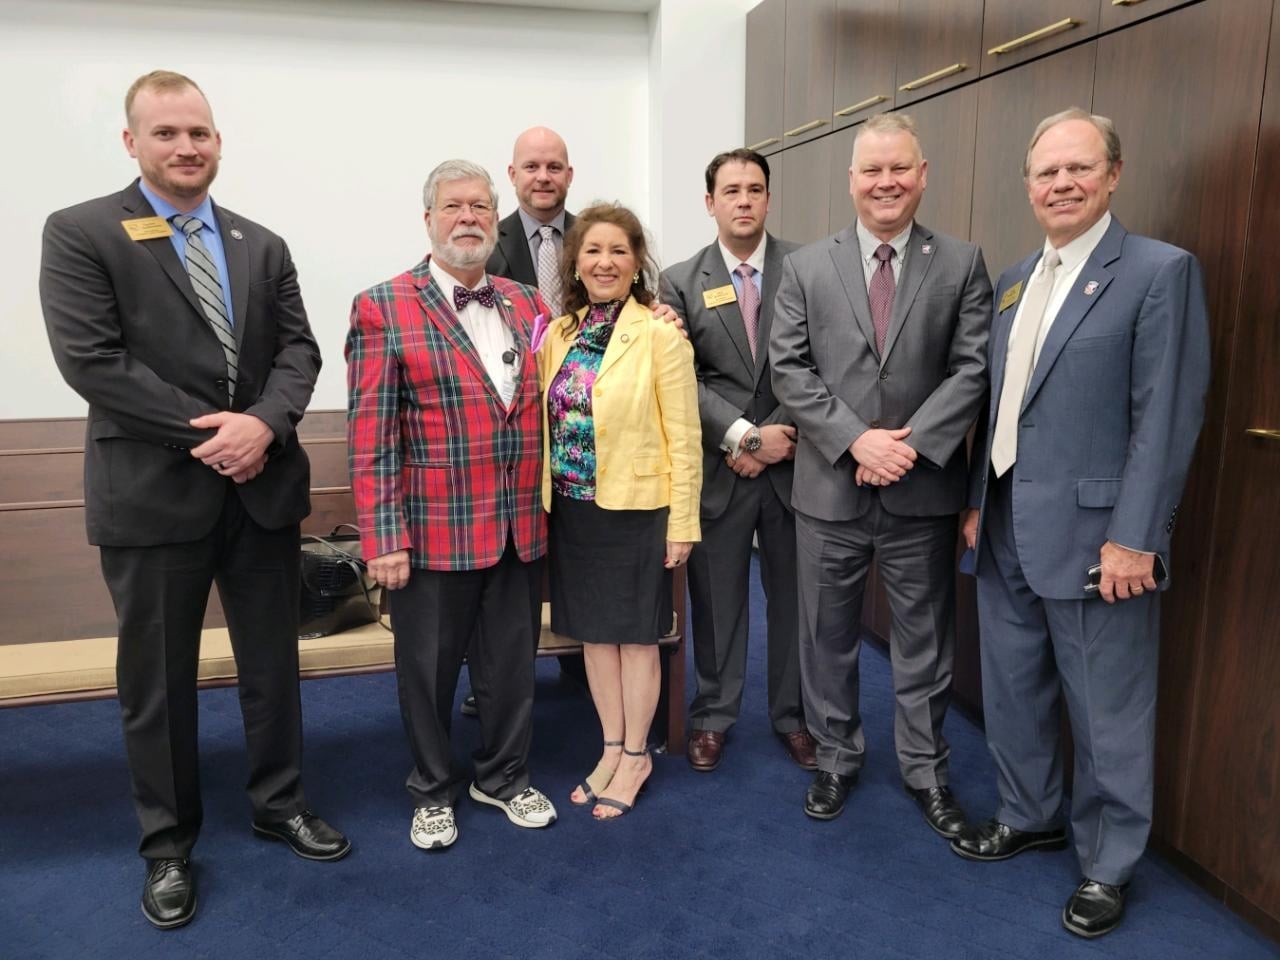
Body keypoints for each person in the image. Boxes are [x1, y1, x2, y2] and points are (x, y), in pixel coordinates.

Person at [39, 70, 348, 930]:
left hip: (261, 493)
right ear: (132, 142)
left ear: (219, 143)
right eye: (168, 133)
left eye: (200, 133)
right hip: (152, 496)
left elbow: (300, 350)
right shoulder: (81, 232)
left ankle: (278, 802)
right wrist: (219, 436)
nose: (186, 148)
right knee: (158, 681)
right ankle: (168, 846)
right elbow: (93, 363)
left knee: (271, 667)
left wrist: (266, 425)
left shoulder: (259, 242)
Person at [951, 108, 1210, 939]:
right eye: (1046, 173)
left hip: (1102, 541)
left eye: (1078, 169)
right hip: (1003, 528)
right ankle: (1030, 814)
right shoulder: (1019, 276)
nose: (1060, 184)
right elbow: (1003, 402)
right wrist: (972, 501)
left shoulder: (1159, 271)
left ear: (1113, 174)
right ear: (1027, 186)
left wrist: (1138, 536)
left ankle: (1108, 864)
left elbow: (1164, 418)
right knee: (1015, 690)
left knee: (1106, 711)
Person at [770, 112, 991, 836]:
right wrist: (856, 441)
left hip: (921, 492)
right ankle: (836, 756)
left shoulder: (961, 263)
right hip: (830, 488)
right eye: (872, 170)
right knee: (825, 635)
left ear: (923, 174)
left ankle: (926, 770)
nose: (887, 182)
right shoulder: (806, 267)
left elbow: (972, 369)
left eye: (900, 168)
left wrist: (911, 445)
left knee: (925, 643)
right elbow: (790, 370)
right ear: (852, 181)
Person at [346, 159, 557, 851]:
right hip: (432, 532)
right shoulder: (383, 305)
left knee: (511, 667)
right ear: (429, 220)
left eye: (479, 207)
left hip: (518, 525)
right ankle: (432, 789)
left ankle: (502, 777)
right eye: (453, 206)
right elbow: (371, 435)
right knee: (428, 674)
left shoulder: (529, 303)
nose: (468, 217)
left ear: (496, 219)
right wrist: (383, 537)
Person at [539, 203, 702, 819]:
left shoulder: (662, 334)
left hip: (639, 511)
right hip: (575, 509)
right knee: (594, 639)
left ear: (637, 265)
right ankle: (609, 746)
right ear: (575, 264)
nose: (604, 262)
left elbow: (684, 438)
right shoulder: (558, 334)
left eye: (618, 251)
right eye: (592, 251)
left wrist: (682, 523)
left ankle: (637, 754)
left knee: (636, 640)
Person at [658, 149, 813, 773]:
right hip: (720, 470)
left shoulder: (809, 267)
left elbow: (825, 364)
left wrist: (782, 433)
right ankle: (713, 715)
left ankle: (796, 717)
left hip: (797, 468)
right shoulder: (678, 279)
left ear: (769, 198)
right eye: (731, 190)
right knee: (718, 601)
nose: (743, 200)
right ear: (710, 202)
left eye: (754, 189)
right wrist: (746, 436)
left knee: (796, 602)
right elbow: (681, 377)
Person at [487, 126, 576, 315]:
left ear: (569, 176)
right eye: (531, 167)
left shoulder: (593, 238)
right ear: (513, 174)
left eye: (554, 167)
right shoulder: (487, 245)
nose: (543, 177)